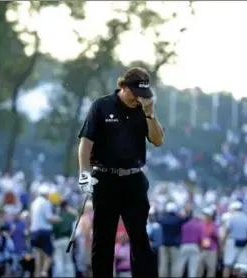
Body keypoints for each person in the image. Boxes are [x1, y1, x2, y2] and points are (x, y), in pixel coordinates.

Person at [77, 67, 164, 278]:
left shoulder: (144, 109)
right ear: (123, 86)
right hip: (105, 178)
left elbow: (158, 140)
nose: (138, 98)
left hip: (133, 179)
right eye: (135, 92)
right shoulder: (102, 105)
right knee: (103, 239)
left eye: (142, 93)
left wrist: (150, 114)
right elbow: (86, 143)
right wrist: (84, 173)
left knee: (140, 238)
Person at [29, 184, 61, 277]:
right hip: (44, 231)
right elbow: (49, 218)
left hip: (34, 231)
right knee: (49, 254)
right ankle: (44, 272)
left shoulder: (34, 203)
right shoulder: (45, 202)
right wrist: (58, 219)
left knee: (38, 254)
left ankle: (37, 273)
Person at [222, 201, 247, 278]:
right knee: (241, 266)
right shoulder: (246, 218)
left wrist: (223, 244)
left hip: (232, 242)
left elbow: (227, 231)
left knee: (227, 265)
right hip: (243, 243)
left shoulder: (231, 217)